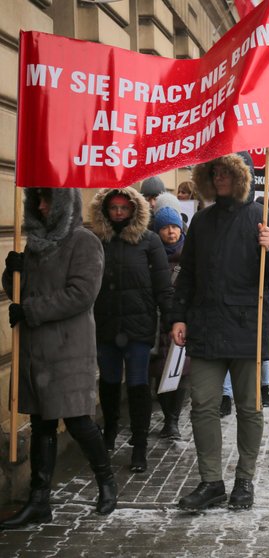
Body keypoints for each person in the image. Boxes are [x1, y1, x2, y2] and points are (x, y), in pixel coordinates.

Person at [170, 152, 269, 512]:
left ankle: (245, 480)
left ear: (242, 177)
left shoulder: (262, 216)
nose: (220, 177)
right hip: (206, 329)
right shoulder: (203, 221)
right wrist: (178, 317)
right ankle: (211, 482)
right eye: (215, 171)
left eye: (227, 172)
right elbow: (188, 274)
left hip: (247, 330)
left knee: (249, 409)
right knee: (203, 407)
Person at [1, 188, 117, 529]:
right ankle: (39, 501)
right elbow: (21, 292)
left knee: (79, 421)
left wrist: (31, 309)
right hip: (37, 351)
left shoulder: (83, 241)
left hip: (69, 350)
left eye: (47, 200)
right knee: (42, 424)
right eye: (36, 200)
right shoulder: (34, 242)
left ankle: (107, 482)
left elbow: (81, 294)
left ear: (63, 203)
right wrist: (12, 273)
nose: (40, 206)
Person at [91, 187, 172, 473]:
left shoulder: (149, 241)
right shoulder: (97, 241)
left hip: (138, 327)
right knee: (110, 383)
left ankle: (139, 445)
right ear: (105, 210)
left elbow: (163, 284)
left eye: (123, 208)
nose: (118, 213)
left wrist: (173, 319)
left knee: (138, 386)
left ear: (134, 209)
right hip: (105, 324)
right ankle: (110, 432)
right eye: (113, 208)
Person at [148, 206, 189, 440]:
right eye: (165, 227)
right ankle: (167, 418)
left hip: (182, 321)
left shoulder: (189, 254)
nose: (171, 232)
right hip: (158, 323)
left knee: (181, 373)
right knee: (160, 373)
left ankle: (173, 420)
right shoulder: (153, 255)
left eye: (174, 226)